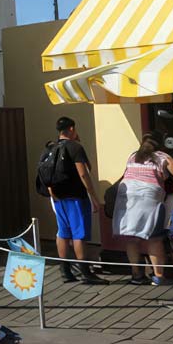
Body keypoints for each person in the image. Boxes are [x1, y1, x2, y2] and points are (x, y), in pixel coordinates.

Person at [112, 133, 173, 286]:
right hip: (149, 197)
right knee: (154, 238)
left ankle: (136, 275)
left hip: (125, 196)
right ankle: (158, 276)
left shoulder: (133, 156)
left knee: (131, 237)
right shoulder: (163, 157)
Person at [48, 117, 106, 284]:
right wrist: (94, 197)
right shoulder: (75, 147)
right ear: (72, 129)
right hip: (76, 197)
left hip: (58, 198)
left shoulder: (51, 148)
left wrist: (53, 194)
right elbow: (84, 172)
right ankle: (85, 272)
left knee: (63, 232)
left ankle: (65, 271)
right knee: (78, 234)